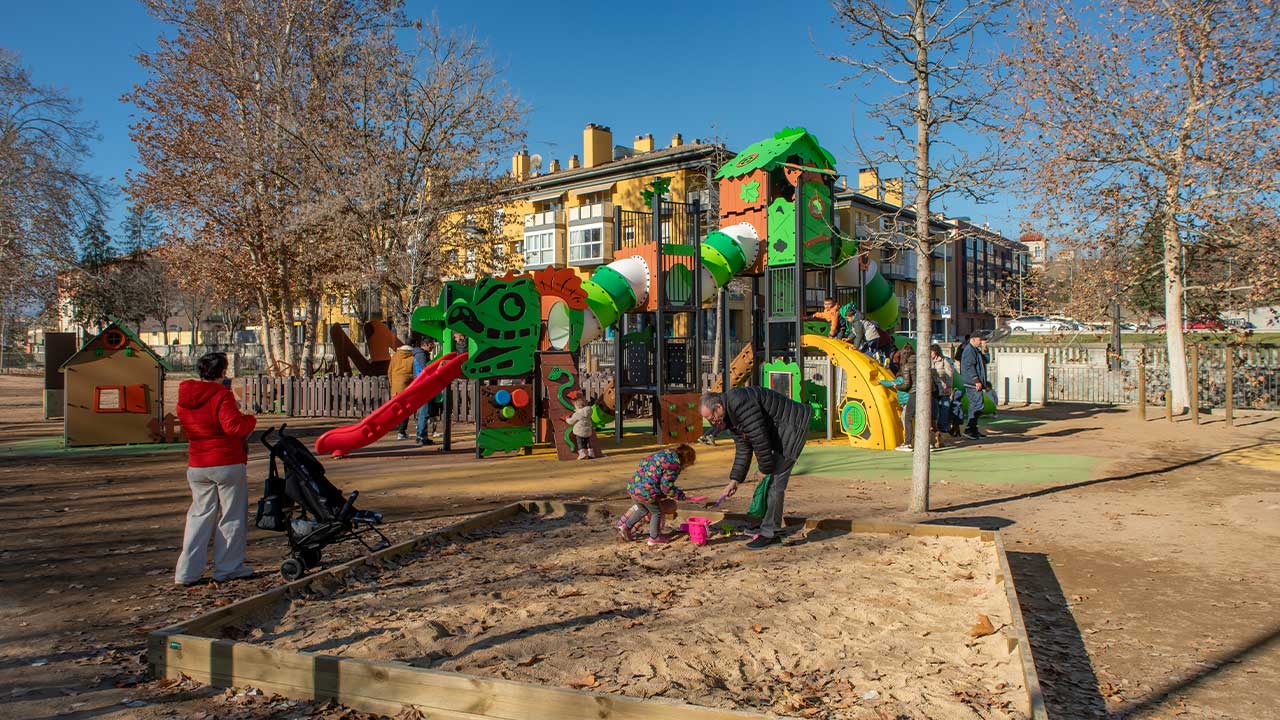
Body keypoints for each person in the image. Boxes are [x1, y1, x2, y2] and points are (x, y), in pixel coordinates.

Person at [174, 352, 257, 586]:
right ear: (222, 371)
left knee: (198, 517)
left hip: (198, 462)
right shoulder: (221, 395)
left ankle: (187, 572)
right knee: (231, 516)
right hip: (226, 461)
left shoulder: (184, 397)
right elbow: (233, 427)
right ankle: (228, 568)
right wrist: (250, 420)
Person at [699, 387, 813, 550]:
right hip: (780, 431)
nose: (712, 423)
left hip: (792, 428)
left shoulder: (739, 402)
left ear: (718, 407)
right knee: (768, 481)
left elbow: (760, 438)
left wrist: (764, 468)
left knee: (775, 482)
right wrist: (735, 480)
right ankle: (765, 525)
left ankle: (770, 533)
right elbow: (744, 448)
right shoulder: (730, 416)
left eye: (712, 418)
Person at [616, 444, 697, 545]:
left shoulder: (664, 454)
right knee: (656, 512)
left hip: (633, 486)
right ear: (685, 460)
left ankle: (625, 527)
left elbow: (645, 464)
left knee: (643, 510)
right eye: (687, 465)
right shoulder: (673, 465)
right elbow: (666, 487)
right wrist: (680, 495)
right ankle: (654, 537)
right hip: (646, 492)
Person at [882, 344, 916, 452]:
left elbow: (900, 384)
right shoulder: (918, 363)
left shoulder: (905, 370)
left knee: (906, 418)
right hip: (915, 396)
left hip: (909, 398)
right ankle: (926, 441)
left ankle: (908, 442)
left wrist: (881, 382)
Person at [960, 334, 991, 439]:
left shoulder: (976, 350)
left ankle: (973, 429)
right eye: (980, 340)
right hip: (971, 383)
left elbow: (986, 360)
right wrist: (976, 380)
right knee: (977, 404)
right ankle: (970, 428)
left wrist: (985, 349)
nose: (981, 341)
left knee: (976, 404)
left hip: (975, 382)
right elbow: (969, 366)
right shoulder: (970, 350)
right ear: (973, 339)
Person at [410, 335, 438, 445]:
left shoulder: (420, 354)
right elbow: (425, 369)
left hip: (421, 384)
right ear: (425, 345)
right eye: (431, 345)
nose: (432, 347)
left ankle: (421, 435)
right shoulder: (422, 355)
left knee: (424, 411)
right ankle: (421, 436)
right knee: (424, 412)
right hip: (423, 385)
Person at [388, 339, 416, 440]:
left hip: (395, 387)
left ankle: (397, 428)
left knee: (396, 409)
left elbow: (389, 371)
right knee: (405, 410)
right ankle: (401, 432)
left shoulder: (395, 356)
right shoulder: (412, 357)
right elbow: (413, 374)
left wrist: (392, 384)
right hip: (406, 387)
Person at [929, 344, 956, 449]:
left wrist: (948, 386)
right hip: (934, 389)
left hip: (943, 388)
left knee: (944, 407)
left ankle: (943, 427)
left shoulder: (944, 361)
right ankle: (938, 431)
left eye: (932, 352)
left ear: (936, 352)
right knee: (936, 409)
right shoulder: (929, 362)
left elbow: (949, 374)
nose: (930, 354)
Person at [563, 392, 595, 460]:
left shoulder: (577, 414)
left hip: (579, 432)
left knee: (580, 442)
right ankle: (590, 453)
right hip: (588, 431)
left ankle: (582, 453)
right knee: (587, 442)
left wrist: (566, 419)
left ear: (577, 406)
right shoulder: (588, 411)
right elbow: (582, 412)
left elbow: (571, 421)